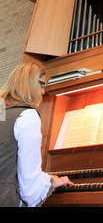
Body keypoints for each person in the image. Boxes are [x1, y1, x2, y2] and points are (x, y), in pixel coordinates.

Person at [0, 61, 73, 207]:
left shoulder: (2, 110)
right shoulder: (27, 116)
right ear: (30, 83)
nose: (43, 91)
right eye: (42, 84)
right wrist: (51, 182)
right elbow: (29, 188)